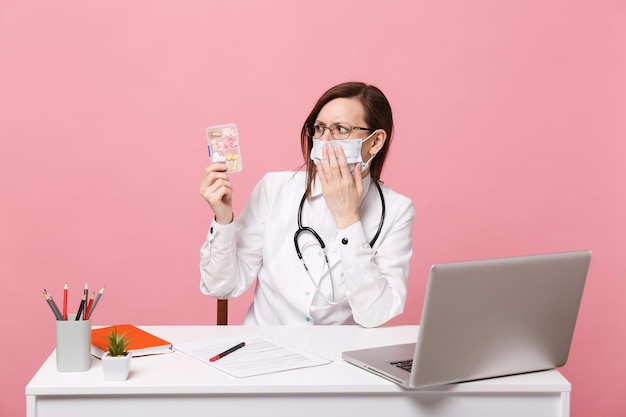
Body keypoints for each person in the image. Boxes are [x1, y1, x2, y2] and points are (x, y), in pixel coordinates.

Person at [199, 81, 415, 327]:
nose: (324, 140)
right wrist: (223, 220)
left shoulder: (397, 211)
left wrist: (348, 221)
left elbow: (374, 315)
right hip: (263, 350)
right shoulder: (275, 189)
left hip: (335, 357)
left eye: (341, 129)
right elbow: (221, 286)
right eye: (319, 128)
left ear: (375, 142)